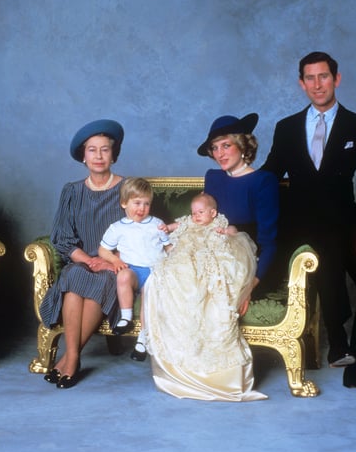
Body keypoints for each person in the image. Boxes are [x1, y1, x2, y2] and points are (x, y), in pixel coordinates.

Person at [260, 51, 356, 396]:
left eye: (324, 77)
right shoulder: (286, 128)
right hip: (300, 226)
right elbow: (269, 176)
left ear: (337, 79)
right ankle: (338, 341)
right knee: (323, 249)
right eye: (310, 78)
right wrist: (230, 182)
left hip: (346, 223)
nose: (317, 84)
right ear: (301, 83)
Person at [143, 191, 267, 401]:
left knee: (209, 278)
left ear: (213, 212)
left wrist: (228, 232)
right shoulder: (188, 223)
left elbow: (235, 233)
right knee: (170, 274)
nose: (196, 216)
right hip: (185, 256)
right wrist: (167, 228)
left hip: (208, 255)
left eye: (200, 212)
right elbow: (176, 226)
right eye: (193, 213)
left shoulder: (218, 223)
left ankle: (219, 375)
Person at [37, 119, 126, 389]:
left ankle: (69, 359)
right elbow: (62, 237)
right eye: (92, 150)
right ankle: (73, 357)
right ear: (83, 156)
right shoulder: (72, 191)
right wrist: (88, 259)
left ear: (114, 154)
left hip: (115, 264)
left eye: (105, 150)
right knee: (74, 278)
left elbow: (140, 233)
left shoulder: (129, 187)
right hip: (82, 260)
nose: (98, 156)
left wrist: (109, 261)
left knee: (100, 281)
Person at [198, 113, 280, 303]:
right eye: (215, 147)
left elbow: (269, 243)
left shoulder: (263, 181)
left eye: (226, 145)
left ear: (242, 146)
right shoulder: (213, 178)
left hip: (248, 265)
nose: (220, 153)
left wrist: (249, 285)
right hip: (211, 260)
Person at [98, 177, 171, 361]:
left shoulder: (157, 224)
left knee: (149, 294)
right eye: (137, 203)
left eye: (146, 204)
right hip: (133, 271)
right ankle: (126, 317)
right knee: (123, 276)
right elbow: (102, 250)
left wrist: (178, 256)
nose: (142, 208)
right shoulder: (117, 228)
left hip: (154, 271)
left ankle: (142, 340)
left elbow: (168, 247)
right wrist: (115, 260)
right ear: (124, 203)